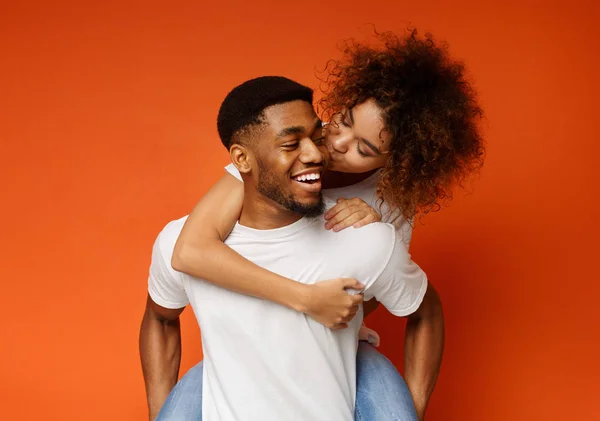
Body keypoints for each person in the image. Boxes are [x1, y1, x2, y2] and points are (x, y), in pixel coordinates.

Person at [160, 30, 485, 421]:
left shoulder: (388, 206)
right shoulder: (267, 166)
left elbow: (380, 296)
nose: (337, 144)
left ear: (394, 164)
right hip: (244, 347)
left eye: (364, 149)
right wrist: (305, 298)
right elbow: (190, 250)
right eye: (342, 122)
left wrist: (375, 235)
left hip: (340, 348)